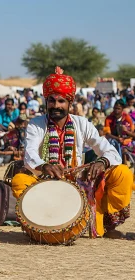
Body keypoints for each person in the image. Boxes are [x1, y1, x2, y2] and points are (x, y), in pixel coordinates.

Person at [11, 67, 133, 239]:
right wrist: (44, 166)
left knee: (122, 173)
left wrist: (101, 162)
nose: (56, 106)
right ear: (46, 101)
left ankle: (106, 223)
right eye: (51, 100)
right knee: (19, 181)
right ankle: (41, 222)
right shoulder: (36, 124)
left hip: (79, 181)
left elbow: (109, 150)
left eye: (61, 101)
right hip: (45, 182)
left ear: (70, 103)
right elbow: (30, 152)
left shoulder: (81, 123)